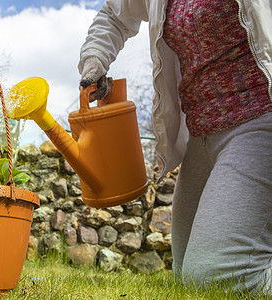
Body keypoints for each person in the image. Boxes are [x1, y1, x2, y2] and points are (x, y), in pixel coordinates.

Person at [78, 0, 272, 294]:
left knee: (215, 276)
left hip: (259, 122)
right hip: (202, 135)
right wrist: (94, 59)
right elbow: (114, 16)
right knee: (188, 278)